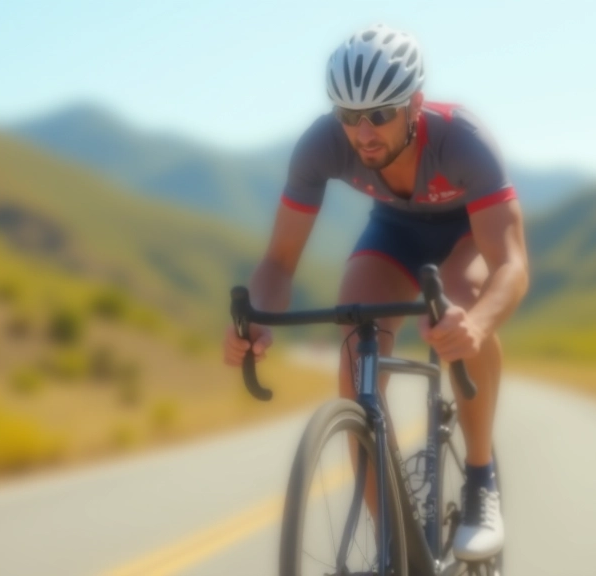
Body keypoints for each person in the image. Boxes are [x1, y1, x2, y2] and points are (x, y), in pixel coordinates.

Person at [223, 23, 529, 562]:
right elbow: (277, 262)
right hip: (394, 233)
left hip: (465, 234)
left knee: (462, 296)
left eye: (380, 116)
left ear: (414, 103)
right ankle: (395, 540)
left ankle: (481, 481)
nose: (362, 133)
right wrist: (260, 321)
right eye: (347, 116)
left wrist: (476, 325)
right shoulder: (320, 146)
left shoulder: (463, 141)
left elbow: (512, 264)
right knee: (353, 347)